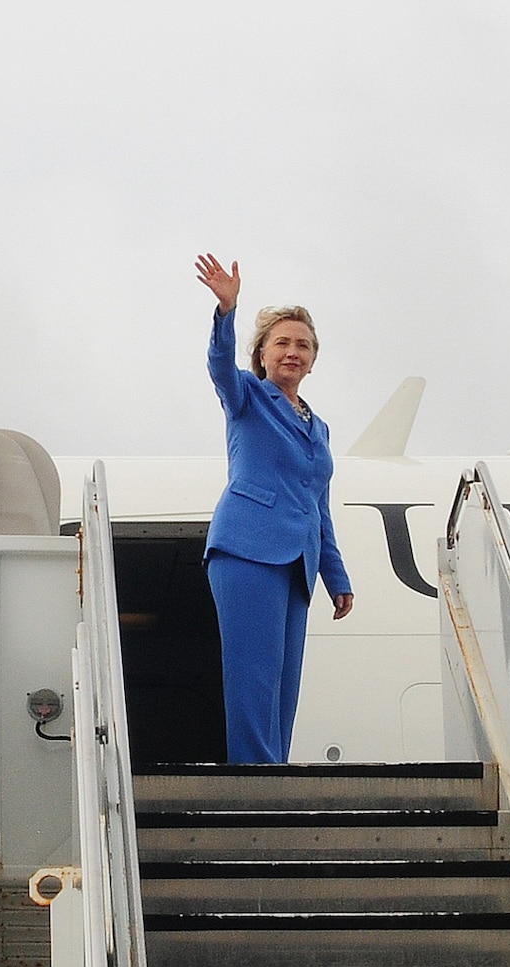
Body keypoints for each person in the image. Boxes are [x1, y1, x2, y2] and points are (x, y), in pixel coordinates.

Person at [193, 253, 353, 763]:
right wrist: (226, 309)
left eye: (302, 345)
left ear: (312, 358)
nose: (292, 352)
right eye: (282, 342)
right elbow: (220, 366)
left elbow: (317, 506)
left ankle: (273, 772)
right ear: (261, 354)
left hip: (297, 560)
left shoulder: (319, 427)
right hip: (247, 548)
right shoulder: (246, 397)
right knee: (253, 673)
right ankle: (255, 777)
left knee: (285, 681)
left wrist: (338, 576)